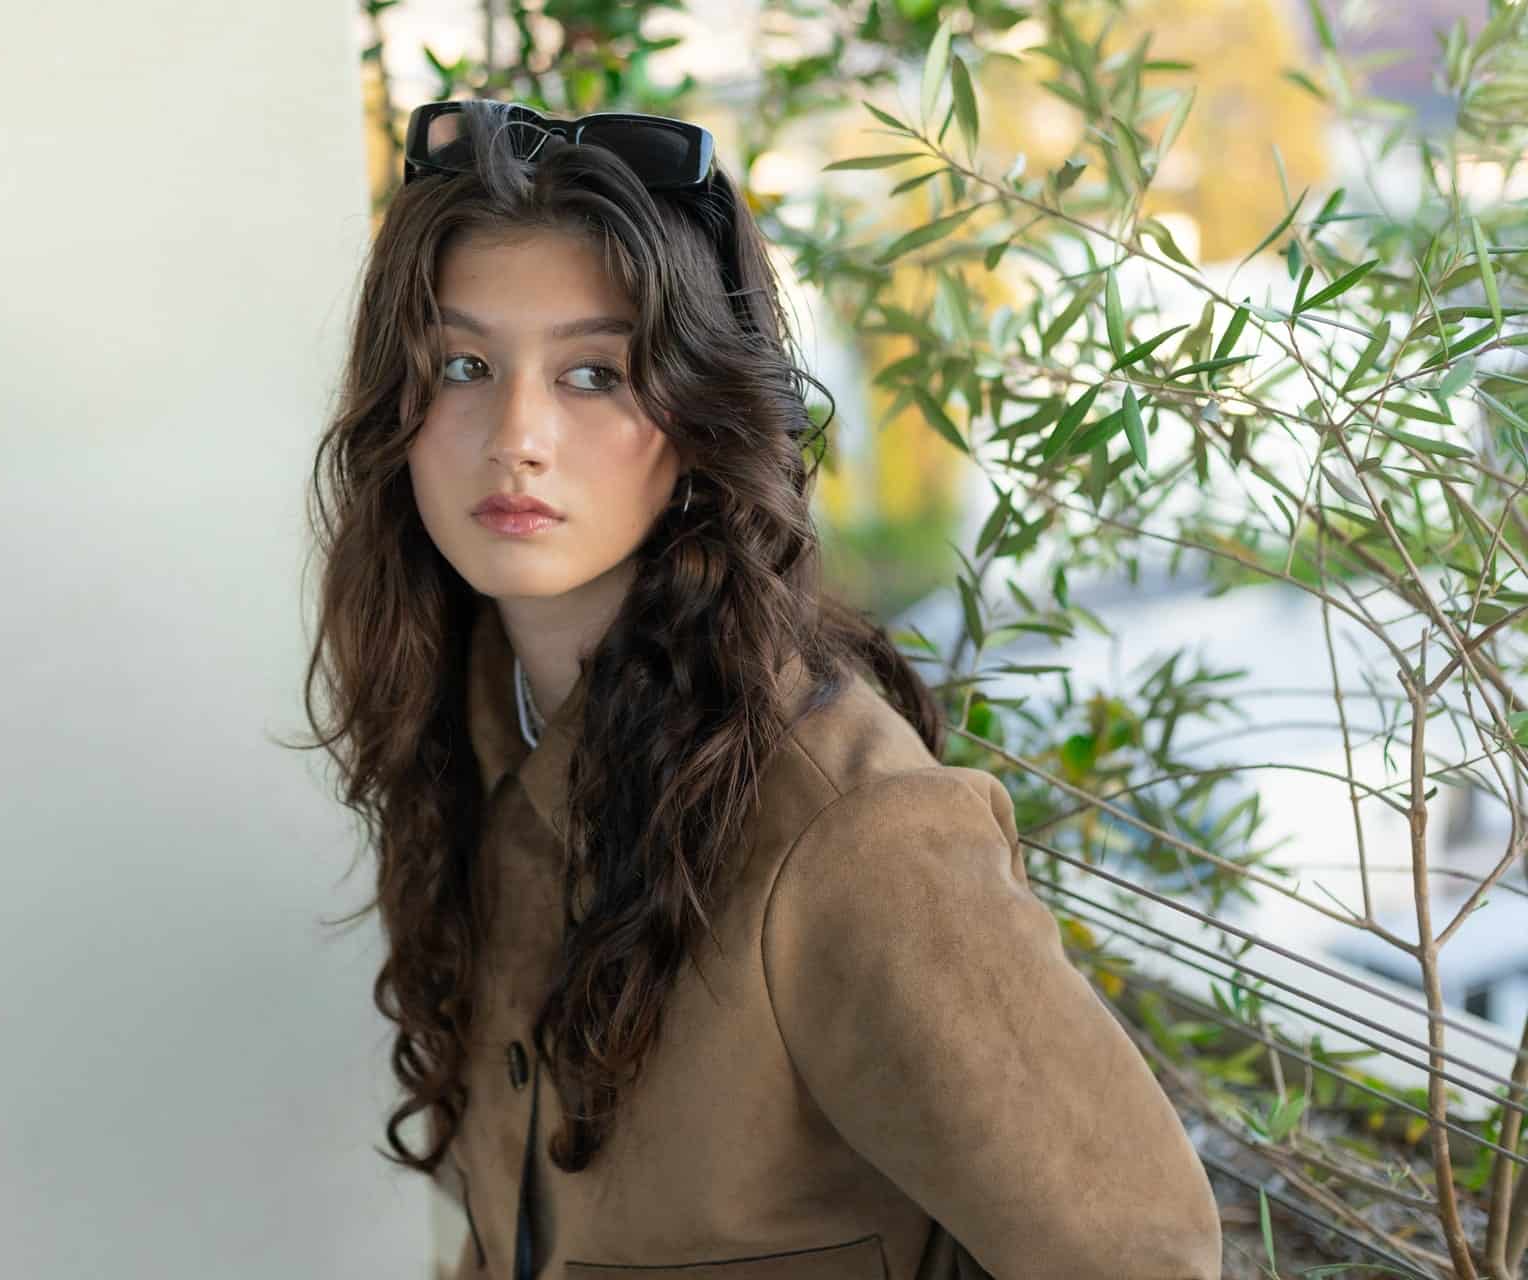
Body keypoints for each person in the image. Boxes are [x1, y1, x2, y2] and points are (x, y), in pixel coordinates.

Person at [297, 97, 1222, 1280]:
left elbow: (1140, 1257)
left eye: (595, 373)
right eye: (465, 366)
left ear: (698, 414)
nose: (514, 435)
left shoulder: (852, 837)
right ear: (397, 414)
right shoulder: (471, 733)